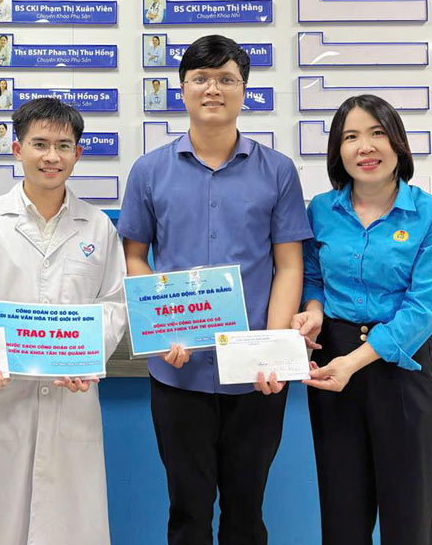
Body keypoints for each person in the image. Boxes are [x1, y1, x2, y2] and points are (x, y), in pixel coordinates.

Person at [118, 34, 312, 545]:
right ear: (182, 89)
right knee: (187, 510)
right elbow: (134, 256)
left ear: (243, 90)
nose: (213, 89)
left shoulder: (278, 170)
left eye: (226, 79)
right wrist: (157, 330)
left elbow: (289, 265)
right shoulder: (148, 171)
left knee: (247, 511)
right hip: (177, 371)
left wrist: (269, 350)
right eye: (201, 78)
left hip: (256, 378)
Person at [0, 97, 127, 545]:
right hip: (0, 396)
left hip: (73, 396)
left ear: (78, 154)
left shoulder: (98, 227)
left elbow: (114, 302)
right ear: (17, 149)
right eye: (40, 144)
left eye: (64, 146)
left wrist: (84, 357)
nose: (52, 157)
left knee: (70, 523)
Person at [294, 94, 432, 545]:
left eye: (377, 133)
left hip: (403, 370)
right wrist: (312, 311)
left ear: (397, 144)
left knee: (409, 519)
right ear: (337, 151)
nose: (365, 147)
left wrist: (354, 361)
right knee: (343, 517)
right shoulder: (321, 211)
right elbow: (312, 277)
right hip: (333, 366)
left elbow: (423, 308)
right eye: (351, 137)